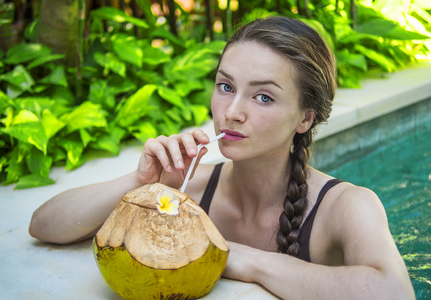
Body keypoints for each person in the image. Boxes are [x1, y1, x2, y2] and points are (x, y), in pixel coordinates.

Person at [29, 16, 415, 299]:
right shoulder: (189, 188)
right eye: (226, 86)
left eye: (263, 96)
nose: (232, 111)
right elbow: (44, 225)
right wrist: (140, 183)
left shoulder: (345, 206)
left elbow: (393, 292)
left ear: (305, 117)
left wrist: (242, 259)